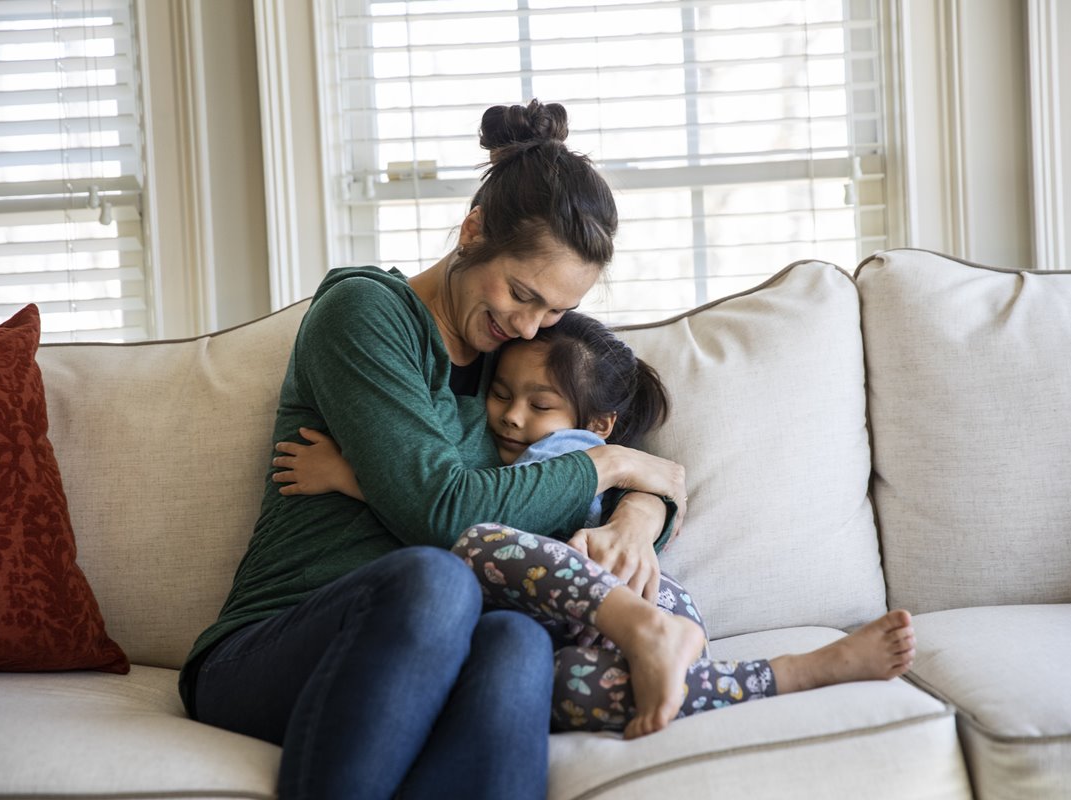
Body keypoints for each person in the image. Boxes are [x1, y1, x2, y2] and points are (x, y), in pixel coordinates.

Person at [179, 99, 690, 800]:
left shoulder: (513, 369)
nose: (528, 325)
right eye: (521, 294)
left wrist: (636, 509)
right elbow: (443, 511)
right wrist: (617, 465)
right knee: (436, 577)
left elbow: (595, 452)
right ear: (472, 230)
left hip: (440, 651)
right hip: (274, 646)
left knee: (517, 642)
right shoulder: (364, 314)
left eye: (555, 312)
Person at [276, 312, 918, 741]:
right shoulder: (510, 437)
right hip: (600, 628)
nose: (510, 417)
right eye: (501, 394)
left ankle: (660, 638)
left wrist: (352, 477)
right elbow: (429, 489)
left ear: (598, 427)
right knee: (573, 694)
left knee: (478, 542)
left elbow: (471, 516)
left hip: (621, 598)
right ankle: (795, 672)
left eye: (539, 405)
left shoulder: (568, 454)